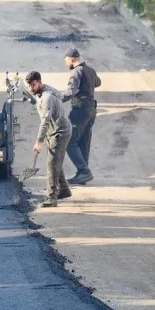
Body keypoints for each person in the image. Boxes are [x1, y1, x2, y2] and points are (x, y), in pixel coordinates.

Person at [26, 71, 72, 207]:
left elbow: (45, 120)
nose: (31, 89)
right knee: (55, 160)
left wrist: (38, 141)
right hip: (53, 131)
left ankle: (51, 198)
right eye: (29, 86)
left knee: (52, 163)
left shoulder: (47, 97)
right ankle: (64, 190)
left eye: (33, 85)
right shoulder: (43, 92)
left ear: (39, 82)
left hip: (60, 132)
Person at [61, 48, 101, 185]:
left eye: (66, 61)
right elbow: (98, 83)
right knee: (84, 140)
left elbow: (70, 92)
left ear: (72, 59)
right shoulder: (90, 70)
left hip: (80, 110)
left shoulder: (76, 72)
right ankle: (82, 174)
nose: (66, 64)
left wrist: (56, 99)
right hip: (91, 110)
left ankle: (84, 171)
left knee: (69, 140)